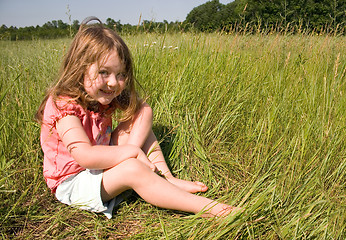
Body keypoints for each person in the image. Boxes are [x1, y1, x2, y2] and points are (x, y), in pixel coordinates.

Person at [36, 16, 236, 219]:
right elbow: (84, 156)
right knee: (132, 166)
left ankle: (165, 178)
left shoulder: (100, 95)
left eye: (121, 74)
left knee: (140, 116)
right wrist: (131, 152)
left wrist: (130, 149)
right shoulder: (64, 105)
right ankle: (211, 209)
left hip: (100, 165)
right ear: (79, 69)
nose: (113, 82)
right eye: (104, 72)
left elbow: (142, 110)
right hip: (73, 183)